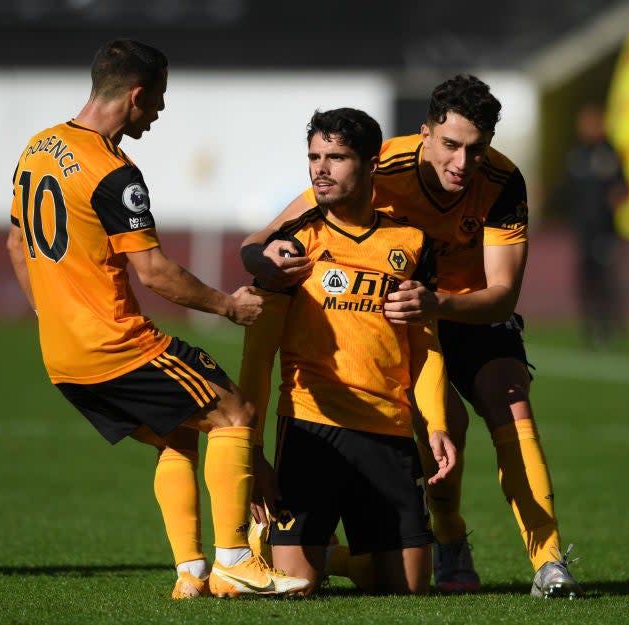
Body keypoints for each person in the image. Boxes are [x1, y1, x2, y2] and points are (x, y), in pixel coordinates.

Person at [241, 75, 581, 598]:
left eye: (475, 149)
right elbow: (262, 242)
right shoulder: (374, 161)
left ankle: (550, 561)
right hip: (399, 316)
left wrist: (438, 302)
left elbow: (504, 293)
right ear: (424, 134)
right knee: (448, 425)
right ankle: (448, 536)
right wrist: (266, 263)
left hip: (467, 307)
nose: (462, 164)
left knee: (510, 399)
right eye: (450, 145)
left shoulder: (504, 180)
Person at [5, 38, 309, 600]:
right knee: (236, 413)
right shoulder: (114, 172)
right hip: (117, 347)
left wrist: (56, 317)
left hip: (62, 356)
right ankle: (237, 562)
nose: (162, 111)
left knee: (180, 433)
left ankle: (190, 574)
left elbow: (18, 245)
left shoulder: (38, 147)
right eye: (161, 99)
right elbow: (156, 273)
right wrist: (229, 305)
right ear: (138, 94)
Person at [239, 108, 457, 595]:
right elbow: (258, 355)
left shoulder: (412, 244)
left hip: (388, 432)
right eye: (315, 156)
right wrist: (252, 451)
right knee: (297, 586)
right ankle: (276, 544)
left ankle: (345, 559)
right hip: (312, 429)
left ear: (372, 164)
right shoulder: (293, 245)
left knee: (409, 590)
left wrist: (436, 423)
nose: (321, 168)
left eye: (336, 157)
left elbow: (425, 345)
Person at [560, 103, 627, 349]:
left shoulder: (609, 153)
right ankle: (589, 326)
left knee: (605, 277)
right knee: (586, 278)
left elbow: (623, 185)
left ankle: (608, 325)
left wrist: (617, 198)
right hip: (583, 229)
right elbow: (567, 190)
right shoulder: (577, 154)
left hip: (604, 229)